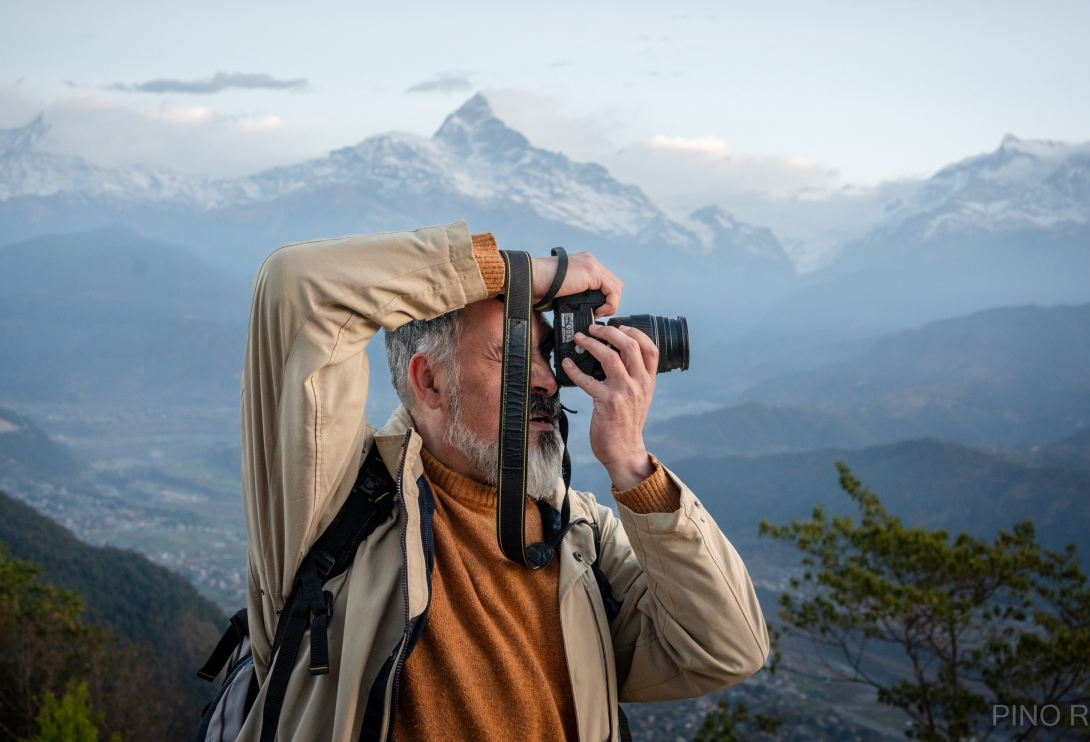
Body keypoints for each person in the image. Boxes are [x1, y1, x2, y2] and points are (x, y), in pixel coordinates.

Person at [239, 221, 769, 741]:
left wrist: (632, 465)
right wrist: (521, 273)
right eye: (513, 354)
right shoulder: (334, 502)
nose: (546, 379)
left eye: (545, 353)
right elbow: (297, 285)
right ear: (430, 381)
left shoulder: (579, 539)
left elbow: (727, 648)